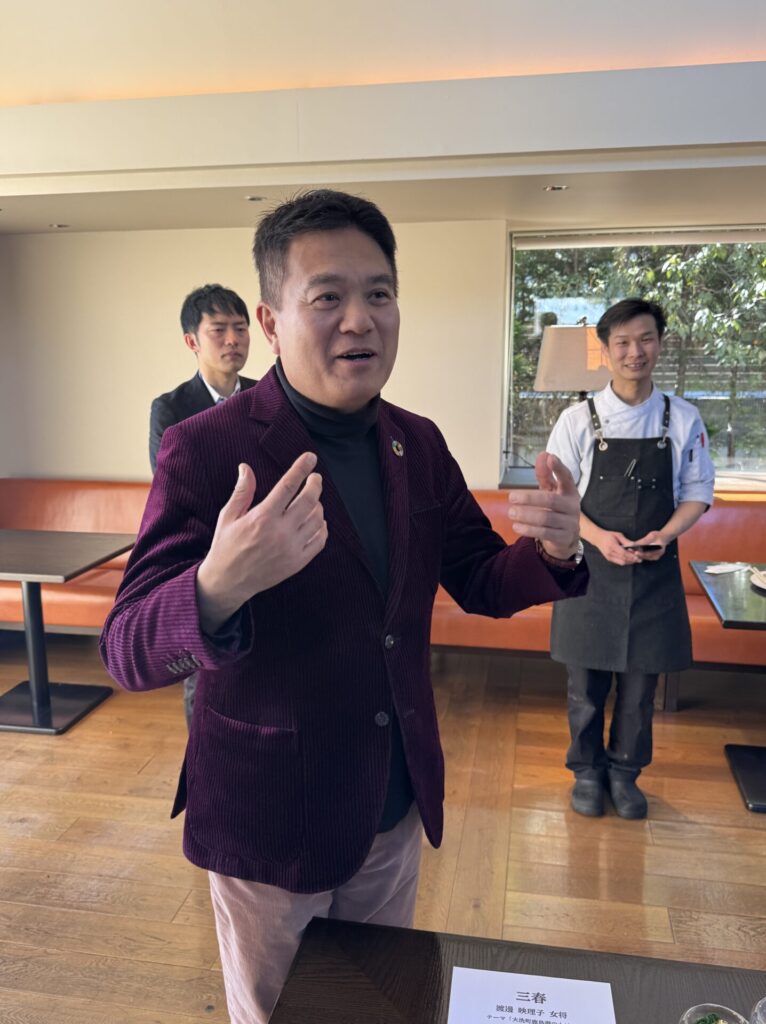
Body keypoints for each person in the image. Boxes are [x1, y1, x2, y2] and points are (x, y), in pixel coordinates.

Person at [101, 189, 587, 1024]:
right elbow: (125, 648)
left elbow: (478, 578)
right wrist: (221, 584)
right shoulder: (206, 448)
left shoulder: (416, 441)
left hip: (392, 804)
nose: (360, 320)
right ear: (270, 321)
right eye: (327, 296)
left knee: (378, 1006)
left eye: (379, 293)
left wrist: (554, 552)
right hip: (269, 820)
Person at [546, 298, 715, 821]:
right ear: (605, 350)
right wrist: (601, 539)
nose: (634, 352)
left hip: (654, 571)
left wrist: (666, 534)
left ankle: (624, 773)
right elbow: (560, 501)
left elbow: (698, 492)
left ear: (660, 344)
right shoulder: (577, 420)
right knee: (585, 687)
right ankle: (587, 772)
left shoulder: (682, 418)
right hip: (589, 572)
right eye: (622, 342)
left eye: (645, 339)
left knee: (641, 690)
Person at [149, 283, 256, 726]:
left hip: (266, 547)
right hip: (205, 557)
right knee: (207, 673)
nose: (233, 339)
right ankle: (205, 751)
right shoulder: (172, 409)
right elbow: (174, 491)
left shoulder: (266, 396)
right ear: (192, 341)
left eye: (241, 328)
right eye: (219, 329)